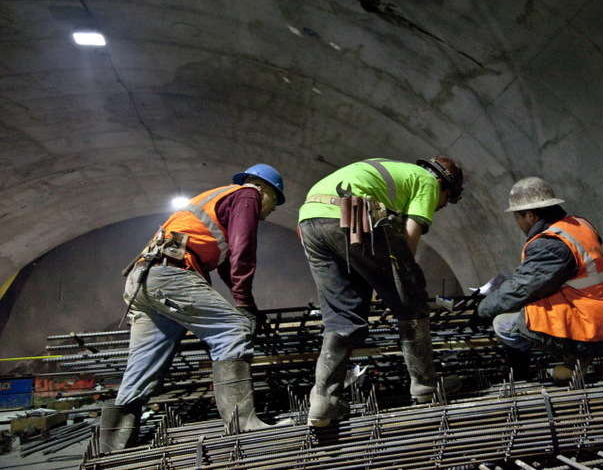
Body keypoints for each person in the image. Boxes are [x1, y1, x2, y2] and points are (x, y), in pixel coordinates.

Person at [99, 164, 286, 452]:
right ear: (265, 189)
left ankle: (114, 444)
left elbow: (227, 266)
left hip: (143, 279)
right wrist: (244, 306)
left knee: (143, 365)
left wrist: (249, 304)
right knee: (233, 328)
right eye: (275, 201)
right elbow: (243, 249)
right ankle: (242, 423)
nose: (271, 210)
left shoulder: (218, 201)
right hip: (170, 274)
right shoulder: (248, 194)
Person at [298, 157, 464, 426]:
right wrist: (399, 286)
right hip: (352, 212)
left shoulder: (394, 173)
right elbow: (409, 243)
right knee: (411, 295)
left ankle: (324, 401)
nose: (440, 205)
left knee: (342, 314)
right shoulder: (428, 181)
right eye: (444, 201)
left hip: (310, 220)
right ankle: (425, 387)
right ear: (444, 185)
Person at [476, 177, 603, 381]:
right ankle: (574, 360)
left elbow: (522, 288)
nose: (517, 223)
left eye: (518, 217)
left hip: (588, 329)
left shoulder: (551, 244)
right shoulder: (579, 225)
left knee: (503, 324)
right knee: (523, 307)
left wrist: (482, 309)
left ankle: (527, 376)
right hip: (600, 318)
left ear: (531, 216)